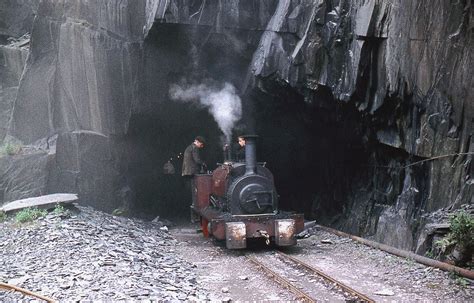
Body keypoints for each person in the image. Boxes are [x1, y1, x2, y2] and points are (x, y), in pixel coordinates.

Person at [182, 136, 206, 220]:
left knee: (194, 193)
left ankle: (194, 217)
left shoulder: (189, 147)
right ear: (197, 142)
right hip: (192, 172)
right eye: (201, 145)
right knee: (196, 194)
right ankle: (195, 216)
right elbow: (197, 160)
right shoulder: (194, 148)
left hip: (188, 172)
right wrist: (203, 163)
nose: (201, 147)